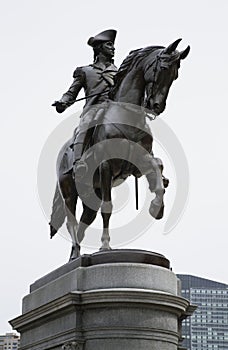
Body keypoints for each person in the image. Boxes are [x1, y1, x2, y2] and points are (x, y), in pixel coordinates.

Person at [52, 29, 118, 177]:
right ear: (99, 48)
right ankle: (78, 162)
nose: (113, 48)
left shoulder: (119, 72)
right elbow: (71, 93)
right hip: (94, 110)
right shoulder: (85, 71)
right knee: (86, 124)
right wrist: (63, 102)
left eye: (113, 45)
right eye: (109, 45)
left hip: (114, 110)